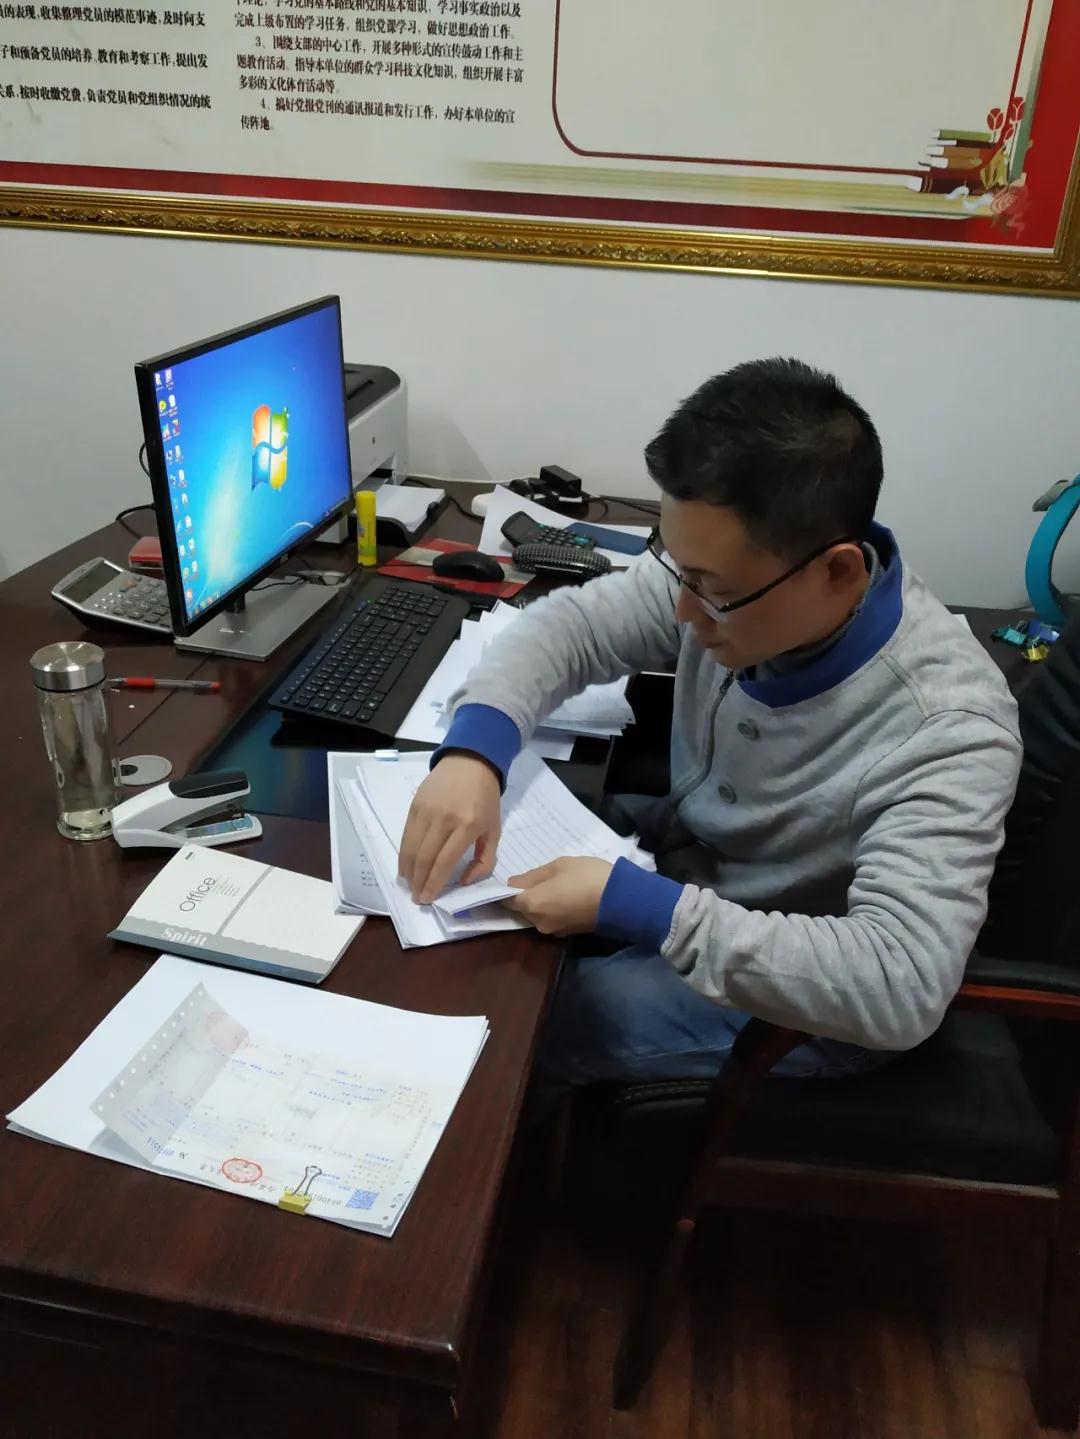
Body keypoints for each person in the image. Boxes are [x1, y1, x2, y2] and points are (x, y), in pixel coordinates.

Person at [398, 358, 1023, 1100]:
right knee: (468, 909)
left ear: (839, 573)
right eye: (678, 572)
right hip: (690, 861)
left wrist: (643, 909)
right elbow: (572, 627)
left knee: (518, 1015)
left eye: (711, 592)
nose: (683, 613)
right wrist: (474, 753)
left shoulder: (948, 728)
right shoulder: (735, 573)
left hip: (805, 992)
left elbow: (900, 982)